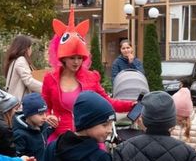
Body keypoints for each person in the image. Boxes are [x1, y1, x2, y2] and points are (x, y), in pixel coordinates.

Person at [41, 9, 135, 141]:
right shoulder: (50, 79)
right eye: (72, 58)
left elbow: (107, 102)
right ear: (63, 58)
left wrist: (131, 105)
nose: (76, 62)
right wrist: (48, 116)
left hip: (88, 139)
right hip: (60, 139)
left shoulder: (91, 78)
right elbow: (44, 106)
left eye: (80, 58)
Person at [4, 35, 43, 101]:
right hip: (20, 102)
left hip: (14, 99)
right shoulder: (21, 60)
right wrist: (46, 88)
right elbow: (28, 81)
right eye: (30, 47)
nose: (31, 50)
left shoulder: (14, 60)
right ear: (26, 49)